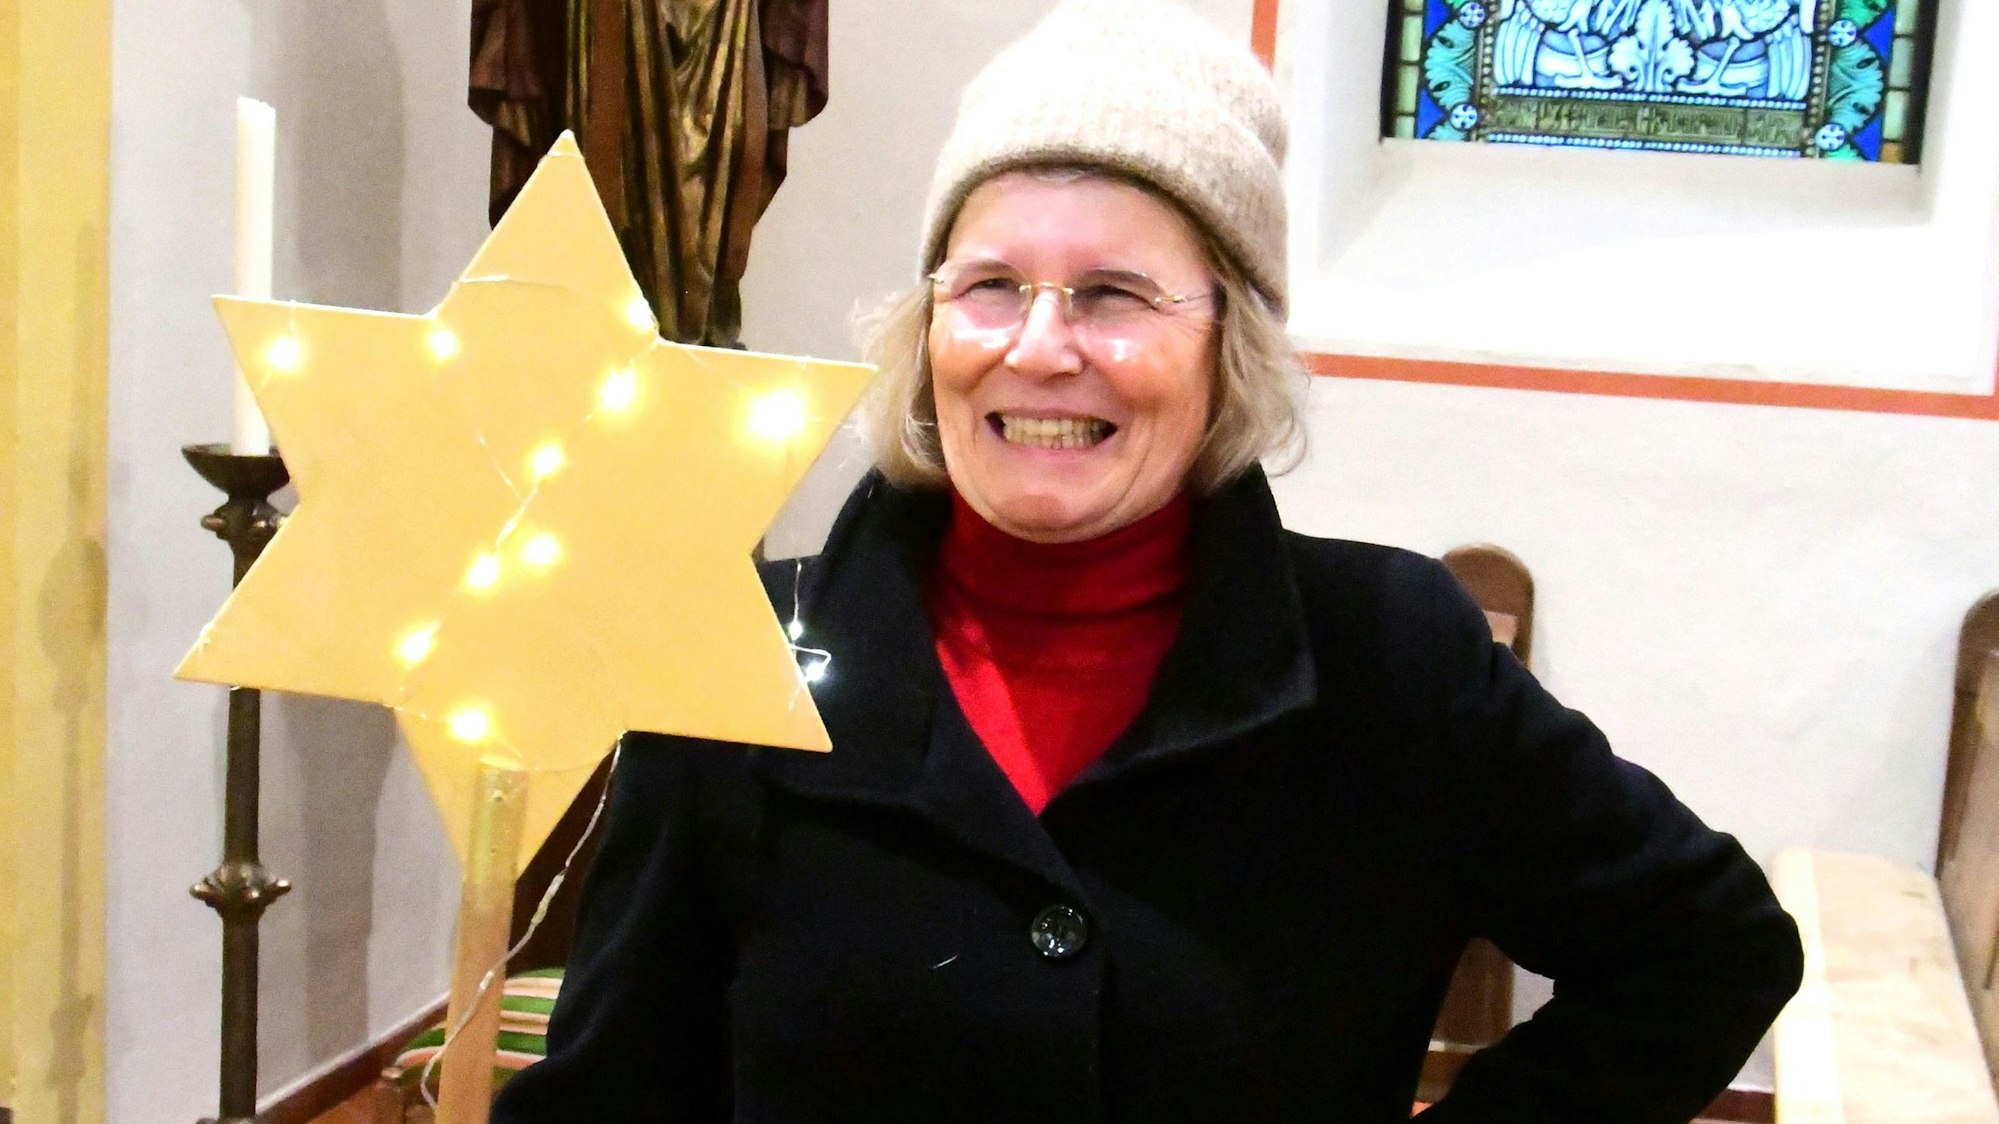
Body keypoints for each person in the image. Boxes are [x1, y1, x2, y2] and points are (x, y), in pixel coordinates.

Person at [493, 1, 1803, 1119]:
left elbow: (1709, 952)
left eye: (1116, 294)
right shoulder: (737, 659)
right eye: (990, 284)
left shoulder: (1387, 659)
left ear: (1229, 340)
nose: (1041, 346)